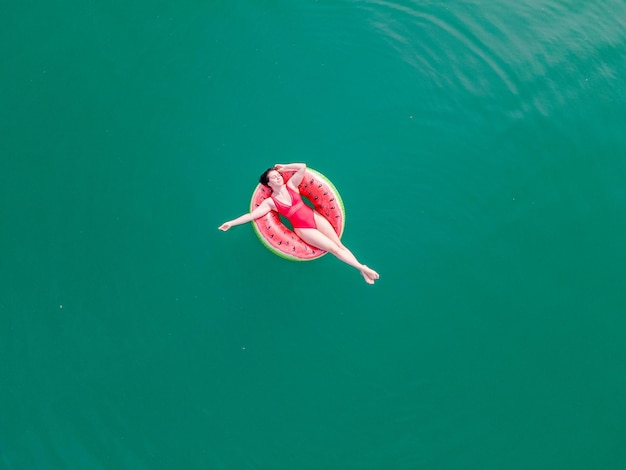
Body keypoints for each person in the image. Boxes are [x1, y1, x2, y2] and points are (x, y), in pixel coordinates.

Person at [218, 163, 380, 284]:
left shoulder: (291, 185)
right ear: (268, 184)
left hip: (315, 217)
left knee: (340, 246)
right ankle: (362, 268)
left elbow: (302, 167)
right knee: (333, 249)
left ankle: (361, 268)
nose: (278, 178)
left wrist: (284, 167)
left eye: (278, 175)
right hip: (304, 229)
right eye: (273, 177)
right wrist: (231, 223)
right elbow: (251, 215)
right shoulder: (270, 202)